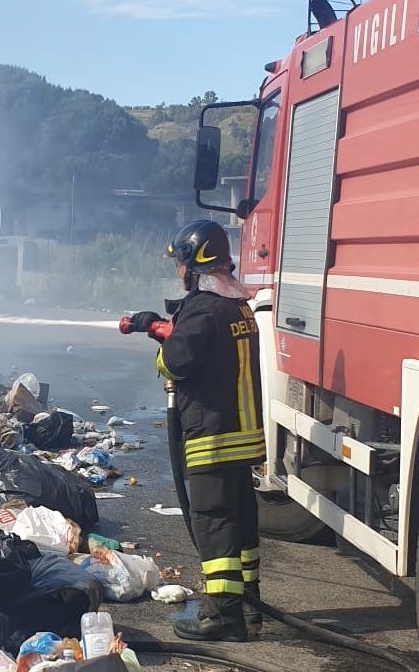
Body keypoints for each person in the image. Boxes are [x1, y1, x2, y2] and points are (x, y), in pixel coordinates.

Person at [127, 219, 265, 642]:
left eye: (180, 263)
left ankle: (223, 614)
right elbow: (203, 347)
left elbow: (176, 362)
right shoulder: (236, 305)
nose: (178, 271)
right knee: (240, 522)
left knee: (213, 522)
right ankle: (248, 604)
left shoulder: (203, 307)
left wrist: (161, 349)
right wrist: (156, 326)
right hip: (242, 435)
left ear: (195, 262)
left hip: (213, 434)